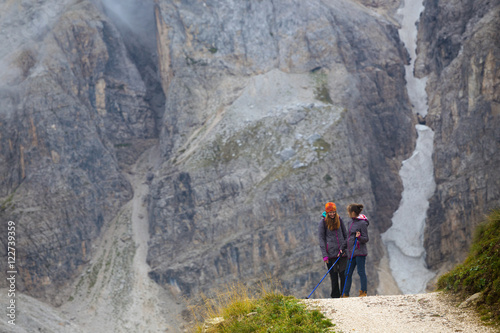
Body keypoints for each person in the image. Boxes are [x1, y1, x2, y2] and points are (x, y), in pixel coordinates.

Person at [318, 202, 348, 298]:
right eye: (330, 212)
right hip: (330, 254)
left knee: (343, 275)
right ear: (327, 213)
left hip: (342, 253)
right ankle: (335, 296)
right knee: (334, 277)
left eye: (334, 212)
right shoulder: (323, 222)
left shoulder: (340, 220)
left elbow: (346, 235)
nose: (332, 214)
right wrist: (324, 255)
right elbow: (321, 239)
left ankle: (344, 294)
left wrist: (343, 248)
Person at [343, 203, 369, 297]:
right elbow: (348, 237)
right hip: (351, 252)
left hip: (359, 252)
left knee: (361, 271)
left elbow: (366, 238)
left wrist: (359, 237)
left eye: (349, 211)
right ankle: (345, 294)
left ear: (353, 212)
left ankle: (363, 292)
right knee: (347, 273)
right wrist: (343, 248)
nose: (348, 213)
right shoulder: (350, 222)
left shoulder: (362, 223)